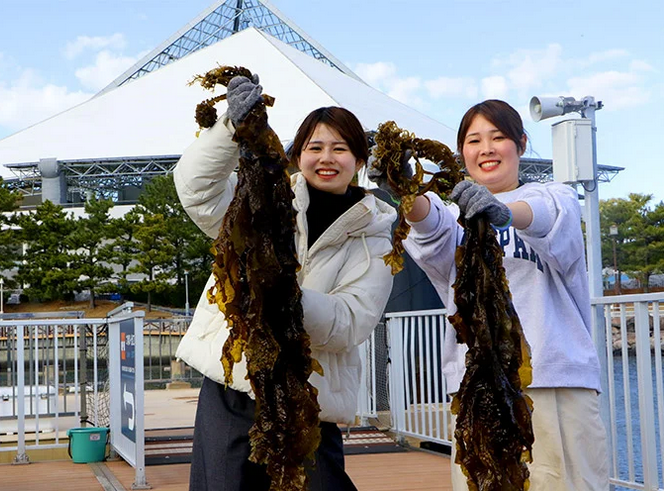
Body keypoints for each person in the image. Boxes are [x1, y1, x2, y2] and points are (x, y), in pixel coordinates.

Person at [173, 74, 397, 490]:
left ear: (360, 161)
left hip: (310, 398)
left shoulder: (377, 235)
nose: (326, 158)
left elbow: (352, 321)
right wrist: (230, 129)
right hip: (233, 382)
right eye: (314, 147)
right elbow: (198, 193)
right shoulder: (259, 200)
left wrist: (283, 295)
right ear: (296, 155)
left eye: (340, 148)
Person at [372, 99, 608, 490]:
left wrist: (502, 212)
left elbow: (544, 215)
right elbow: (430, 226)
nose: (486, 149)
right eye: (473, 140)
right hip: (476, 385)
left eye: (498, 137)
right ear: (461, 151)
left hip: (553, 381)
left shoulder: (555, 197)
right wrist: (404, 189)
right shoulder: (453, 215)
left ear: (520, 144)